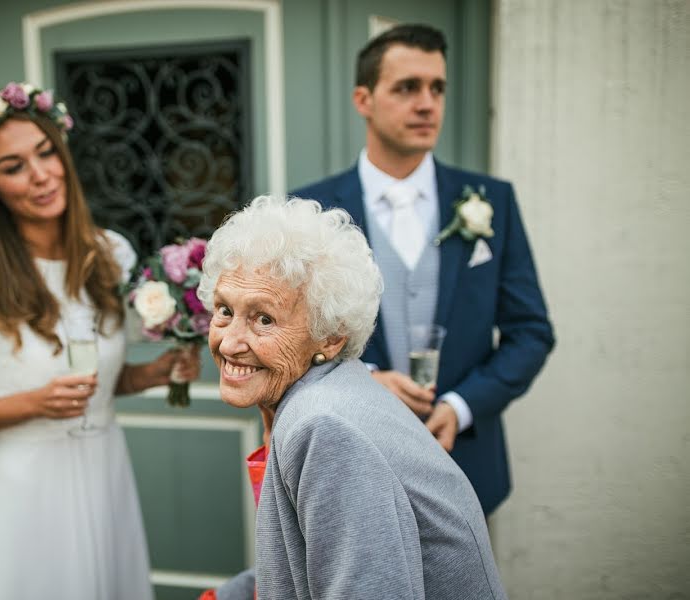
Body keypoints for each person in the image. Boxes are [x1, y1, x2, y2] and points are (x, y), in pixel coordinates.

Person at [0, 82, 199, 600]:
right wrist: (34, 403)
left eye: (46, 153)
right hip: (28, 488)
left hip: (105, 471)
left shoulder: (109, 255)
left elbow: (98, 386)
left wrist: (154, 374)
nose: (41, 174)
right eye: (14, 166)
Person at [293, 24, 555, 515]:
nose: (427, 103)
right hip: (354, 463)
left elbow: (531, 333)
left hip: (466, 467)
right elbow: (291, 336)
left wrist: (461, 406)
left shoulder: (491, 201)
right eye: (407, 87)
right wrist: (362, 376)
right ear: (363, 99)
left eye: (437, 87)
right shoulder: (310, 208)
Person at [197, 195, 508, 599]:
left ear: (330, 335)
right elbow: (303, 561)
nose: (230, 342)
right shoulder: (338, 388)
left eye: (264, 319)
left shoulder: (324, 427)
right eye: (224, 310)